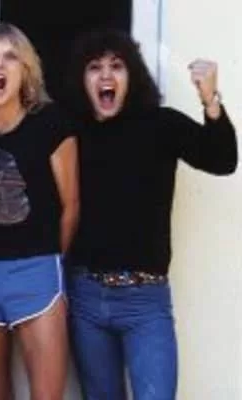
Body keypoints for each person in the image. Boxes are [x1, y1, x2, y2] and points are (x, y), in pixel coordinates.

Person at [63, 29, 237, 400]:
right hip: (86, 298)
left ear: (132, 76)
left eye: (116, 66)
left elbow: (223, 159)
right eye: (94, 67)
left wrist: (210, 99)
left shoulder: (161, 125)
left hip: (146, 300)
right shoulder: (70, 131)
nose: (106, 75)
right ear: (82, 79)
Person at [0, 23, 79, 400]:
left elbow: (71, 206)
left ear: (26, 72)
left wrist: (53, 261)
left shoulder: (51, 124)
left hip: (38, 271)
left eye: (10, 57)